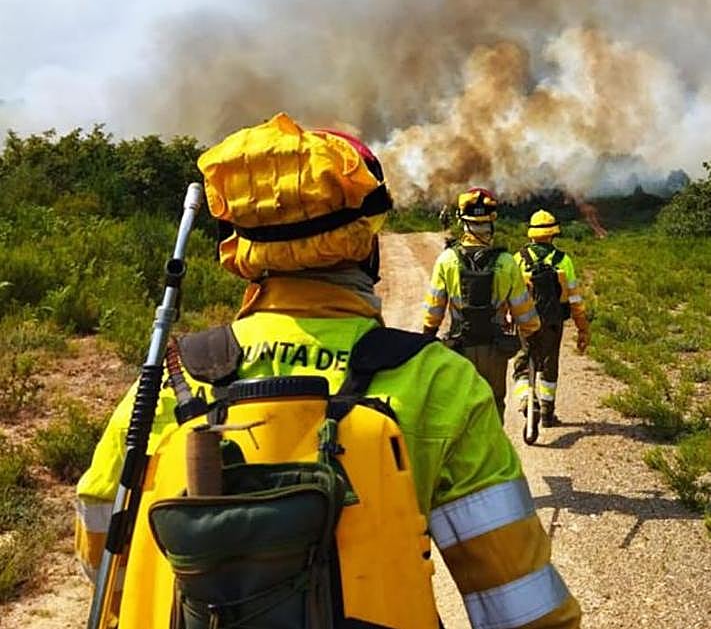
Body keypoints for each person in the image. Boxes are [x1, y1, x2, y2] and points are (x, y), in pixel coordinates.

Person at [76, 113, 580, 628]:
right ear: (365, 243)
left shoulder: (175, 376)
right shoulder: (438, 382)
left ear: (242, 249)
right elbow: (524, 607)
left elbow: (103, 533)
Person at [422, 187, 541, 421]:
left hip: (458, 348)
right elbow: (524, 313)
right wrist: (532, 336)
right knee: (493, 404)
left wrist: (427, 337)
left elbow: (434, 310)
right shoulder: (506, 262)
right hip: (494, 349)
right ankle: (492, 453)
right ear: (491, 222)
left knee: (460, 407)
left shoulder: (447, 259)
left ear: (462, 221)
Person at [512, 209, 591, 427]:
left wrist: (506, 318)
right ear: (553, 234)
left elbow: (508, 293)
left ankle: (528, 400)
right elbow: (574, 299)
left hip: (525, 323)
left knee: (522, 365)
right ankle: (547, 414)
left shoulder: (518, 259)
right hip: (553, 323)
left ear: (531, 233)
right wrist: (583, 327)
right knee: (549, 366)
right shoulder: (564, 260)